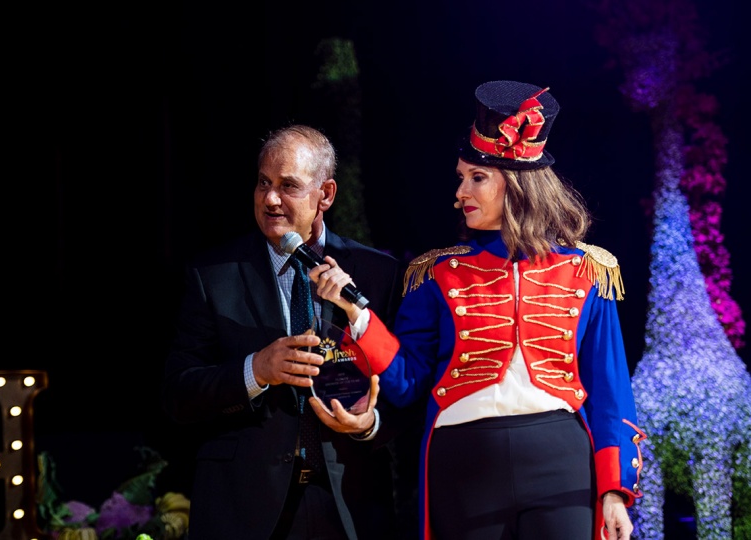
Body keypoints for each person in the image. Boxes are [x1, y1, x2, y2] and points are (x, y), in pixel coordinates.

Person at [309, 81, 647, 540]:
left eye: (477, 178)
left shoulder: (588, 271)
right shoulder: (435, 274)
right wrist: (356, 313)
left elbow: (611, 391)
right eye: (460, 177)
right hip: (464, 464)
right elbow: (407, 383)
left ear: (518, 183)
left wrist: (614, 491)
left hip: (562, 463)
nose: (460, 192)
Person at [161, 124, 420, 540]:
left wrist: (369, 422)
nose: (270, 198)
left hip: (349, 505)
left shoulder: (377, 273)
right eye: (263, 183)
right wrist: (256, 370)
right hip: (244, 509)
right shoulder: (214, 276)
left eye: (288, 186)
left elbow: (409, 391)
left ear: (326, 195)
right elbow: (179, 394)